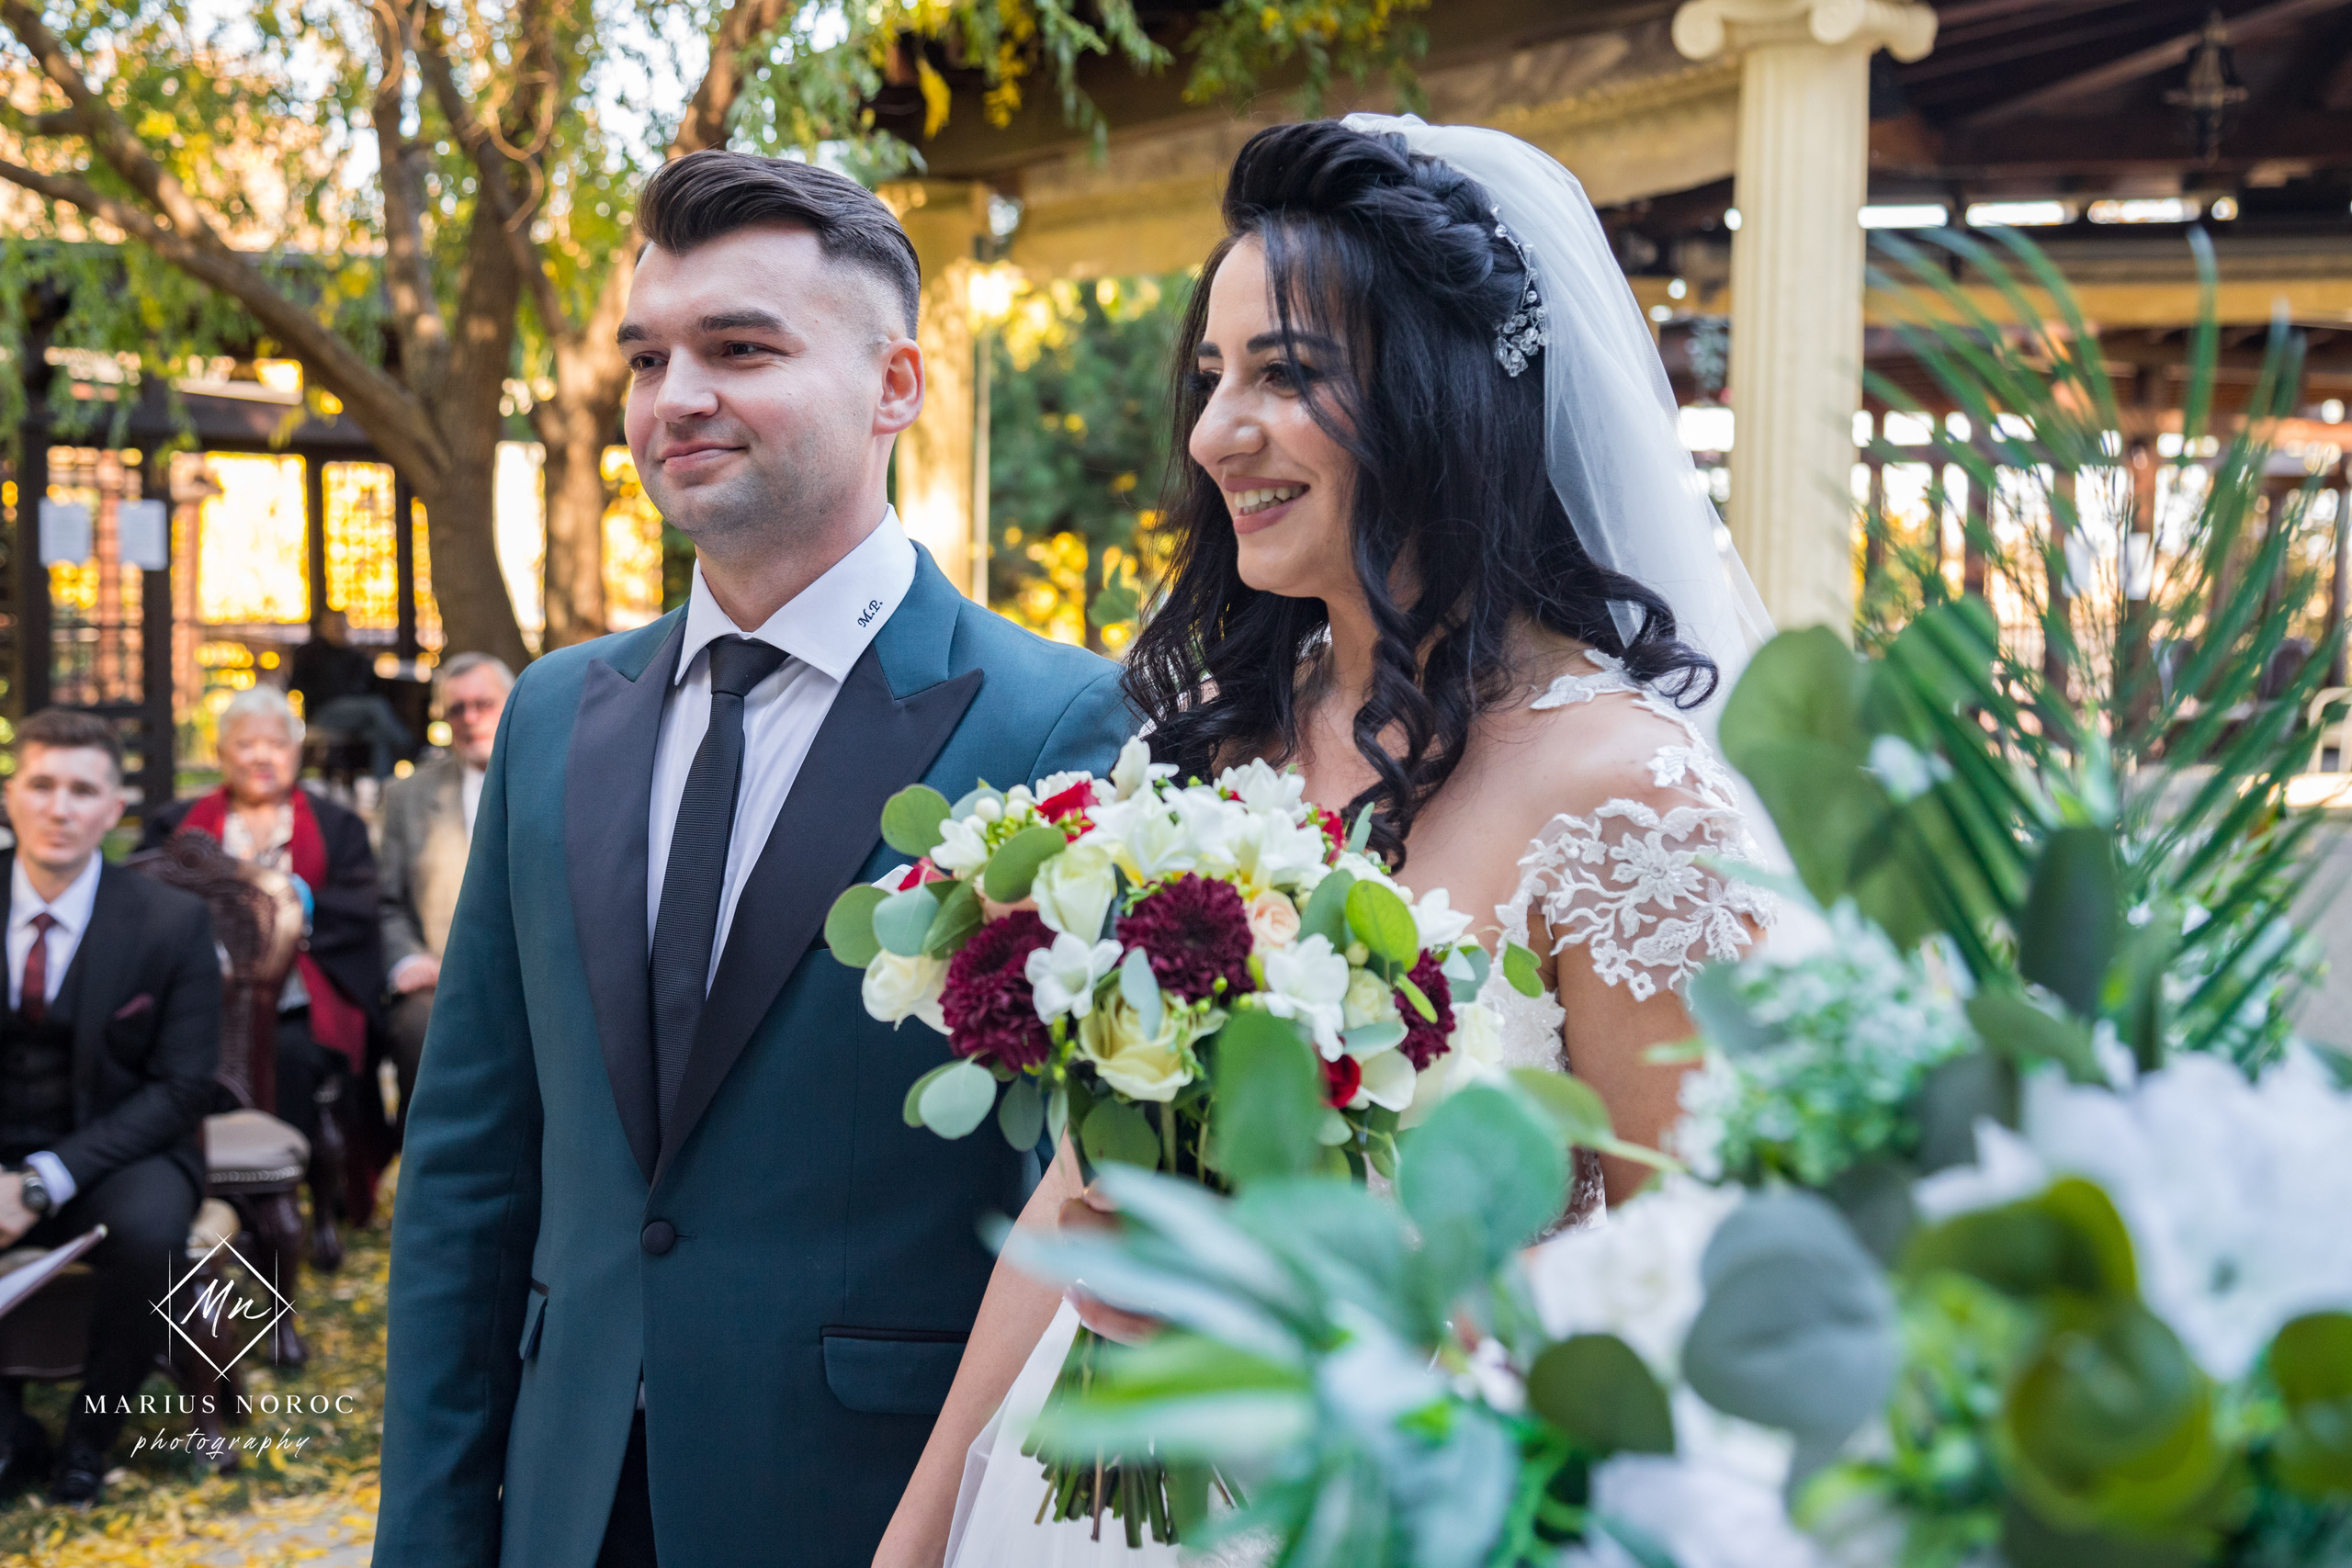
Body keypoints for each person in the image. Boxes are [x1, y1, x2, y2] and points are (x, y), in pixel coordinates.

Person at [888, 118, 1781, 1567]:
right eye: (1211, 375)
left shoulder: (1624, 797)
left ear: (1440, 399)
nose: (1213, 431)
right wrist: (919, 1530)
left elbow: (1697, 1291)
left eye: (1287, 373)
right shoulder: (1213, 742)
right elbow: (1080, 1186)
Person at [372, 148, 1130, 1568]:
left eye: (740, 348)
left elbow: (1082, 1169)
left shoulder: (1059, 721)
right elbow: (471, 1165)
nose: (678, 400)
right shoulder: (551, 711)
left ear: (896, 385)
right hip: (565, 1489)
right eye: (650, 356)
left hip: (870, 1495)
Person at [0, 709, 220, 1505]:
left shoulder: (171, 921)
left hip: (117, 1147)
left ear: (115, 806)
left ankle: (91, 1437)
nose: (61, 807)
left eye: (83, 789)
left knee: (152, 1229)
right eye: (42, 785)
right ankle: (7, 1428)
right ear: (10, 795)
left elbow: (186, 1084)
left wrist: (40, 1181)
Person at [141, 684, 389, 1248]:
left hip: (300, 993)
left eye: (275, 744)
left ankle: (288, 1193)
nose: (261, 756)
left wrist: (294, 913)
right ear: (222, 753)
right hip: (196, 995)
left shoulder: (336, 825)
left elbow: (359, 908)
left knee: (295, 1054)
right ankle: (208, 1186)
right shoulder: (177, 822)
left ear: (296, 754)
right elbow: (146, 900)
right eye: (245, 743)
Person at [377, 651, 513, 1141]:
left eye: (483, 703)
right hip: (441, 980)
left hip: (537, 974)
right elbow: (383, 902)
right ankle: (428, 1163)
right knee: (417, 1026)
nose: (470, 718)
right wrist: (407, 959)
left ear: (512, 703)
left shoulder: (558, 777)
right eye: (457, 709)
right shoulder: (406, 797)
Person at [291, 609, 413, 782]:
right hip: (325, 713)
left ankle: (383, 788)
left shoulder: (354, 656)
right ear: (323, 627)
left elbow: (368, 684)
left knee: (380, 734)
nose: (338, 629)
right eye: (333, 625)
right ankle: (412, 749)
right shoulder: (310, 654)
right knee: (376, 706)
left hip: (356, 715)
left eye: (341, 625)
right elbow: (300, 685)